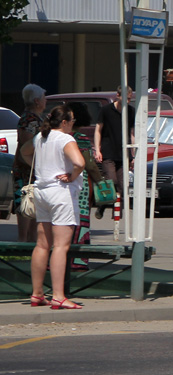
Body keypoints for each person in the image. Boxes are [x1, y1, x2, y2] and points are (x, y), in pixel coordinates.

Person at [29, 104, 86, 309]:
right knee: (61, 246)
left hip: (42, 190)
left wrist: (41, 169)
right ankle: (59, 295)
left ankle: (37, 293)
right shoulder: (65, 138)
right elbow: (80, 162)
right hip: (60, 192)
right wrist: (72, 175)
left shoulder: (40, 137)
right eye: (71, 121)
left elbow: (25, 153)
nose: (72, 125)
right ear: (64, 122)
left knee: (42, 244)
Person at [67, 102, 99, 270]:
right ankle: (78, 259)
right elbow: (90, 165)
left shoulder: (57, 137)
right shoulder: (81, 139)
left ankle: (57, 260)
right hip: (81, 187)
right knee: (81, 222)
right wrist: (100, 182)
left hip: (61, 186)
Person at [15, 84, 48, 242]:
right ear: (36, 101)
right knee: (26, 206)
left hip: (35, 170)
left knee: (35, 210)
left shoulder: (37, 118)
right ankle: (23, 247)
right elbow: (26, 146)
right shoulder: (29, 119)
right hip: (28, 171)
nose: (45, 100)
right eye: (43, 97)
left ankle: (31, 247)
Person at [95, 85, 133, 218]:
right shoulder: (106, 110)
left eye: (130, 99)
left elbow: (132, 133)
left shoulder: (131, 111)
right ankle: (102, 205)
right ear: (118, 95)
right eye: (126, 98)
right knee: (112, 181)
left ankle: (117, 214)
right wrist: (97, 149)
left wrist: (132, 153)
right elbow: (98, 129)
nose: (128, 102)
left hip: (123, 153)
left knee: (123, 185)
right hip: (108, 151)